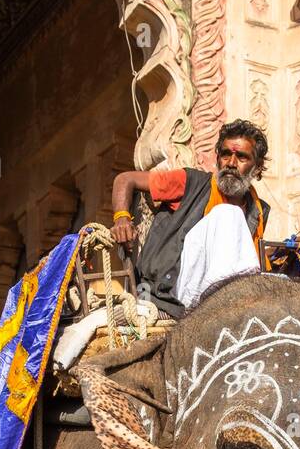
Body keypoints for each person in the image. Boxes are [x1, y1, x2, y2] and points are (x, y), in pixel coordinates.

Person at [110, 118, 270, 317]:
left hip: (231, 290)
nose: (231, 163)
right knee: (229, 214)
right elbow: (125, 179)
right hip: (171, 290)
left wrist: (286, 254)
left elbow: (243, 262)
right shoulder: (190, 182)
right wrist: (122, 218)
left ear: (258, 166)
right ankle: (223, 304)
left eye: (242, 157)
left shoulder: (258, 210)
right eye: (226, 154)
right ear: (218, 157)